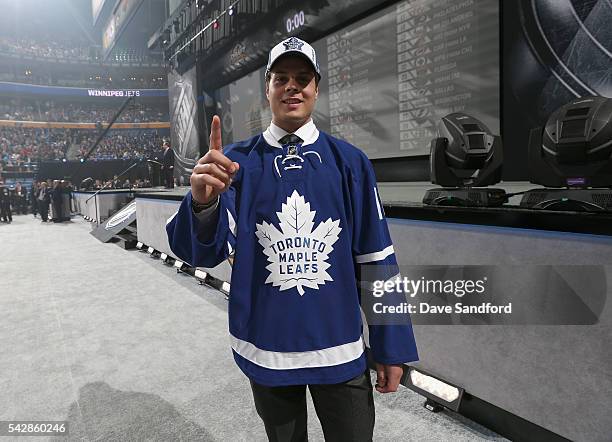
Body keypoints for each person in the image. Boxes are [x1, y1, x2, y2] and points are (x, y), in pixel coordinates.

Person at [167, 37, 418, 441]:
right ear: (267, 88)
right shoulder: (233, 164)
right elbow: (200, 252)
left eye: (302, 78)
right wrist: (202, 203)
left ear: (316, 87)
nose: (292, 86)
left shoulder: (350, 163)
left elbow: (376, 258)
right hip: (266, 347)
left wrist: (392, 346)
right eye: (281, 78)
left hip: (340, 347)